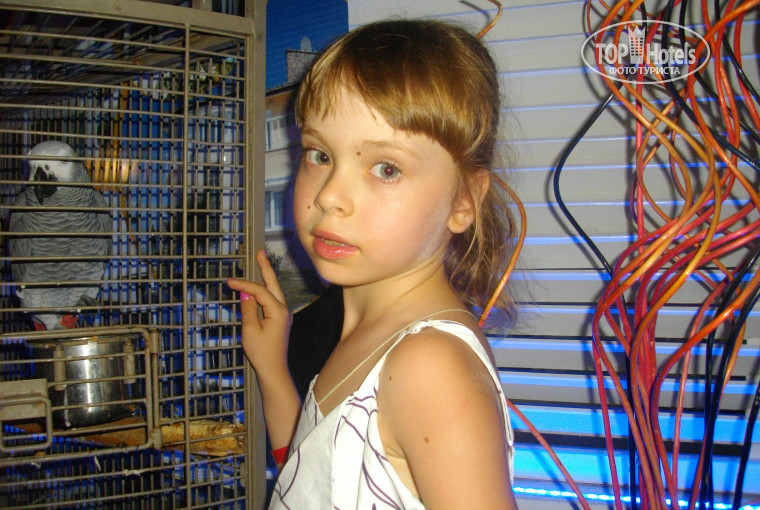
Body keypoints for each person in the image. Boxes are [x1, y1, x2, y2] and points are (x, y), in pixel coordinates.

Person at [228, 18, 519, 509]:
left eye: (386, 168)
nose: (330, 196)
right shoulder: (370, 334)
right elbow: (313, 476)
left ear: (464, 200)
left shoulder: (428, 367)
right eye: (320, 155)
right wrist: (272, 368)